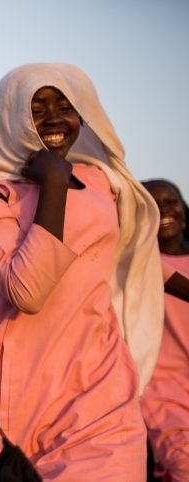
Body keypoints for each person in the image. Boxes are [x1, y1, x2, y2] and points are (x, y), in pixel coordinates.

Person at [0, 63, 189, 481]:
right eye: (36, 107)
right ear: (9, 117)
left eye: (65, 105)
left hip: (100, 393)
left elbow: (139, 261)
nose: (54, 117)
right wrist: (53, 185)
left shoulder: (103, 185)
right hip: (4, 403)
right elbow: (27, 290)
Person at [140, 179, 189, 480]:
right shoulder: (137, 266)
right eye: (153, 204)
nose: (164, 210)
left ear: (184, 207)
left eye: (170, 201)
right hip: (162, 391)